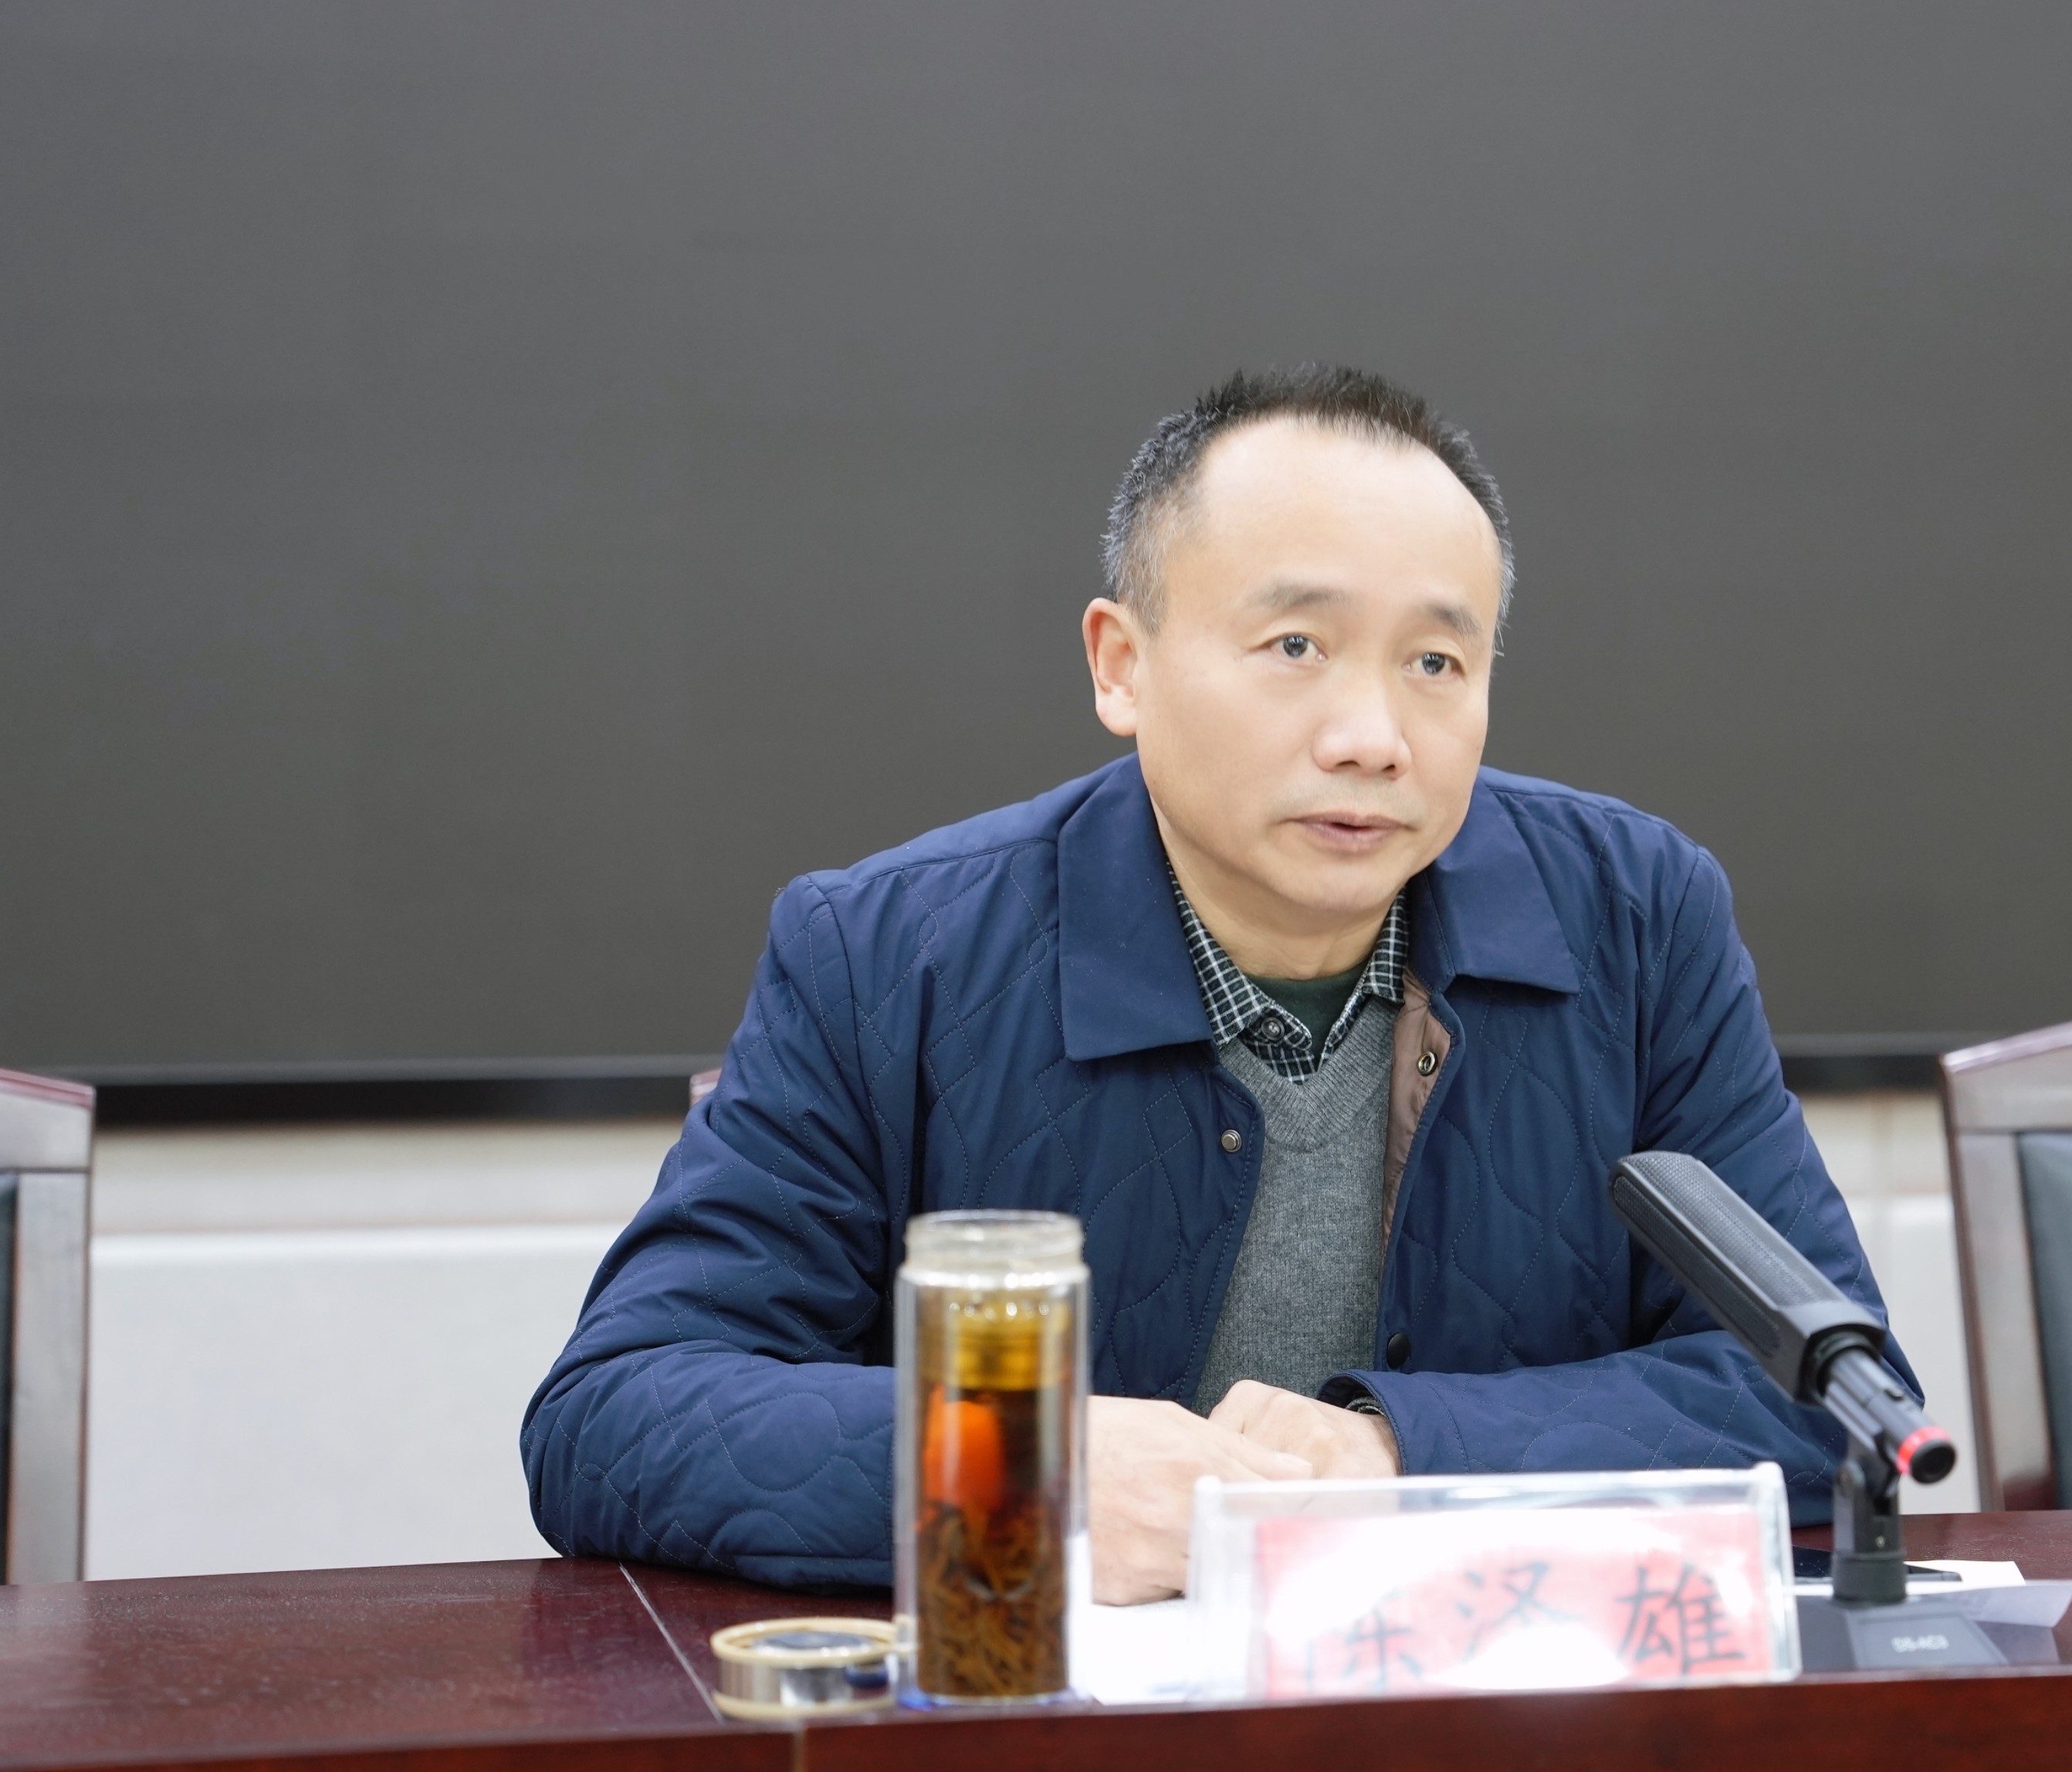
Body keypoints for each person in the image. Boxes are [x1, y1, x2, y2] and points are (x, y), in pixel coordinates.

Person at [523, 365, 1915, 1601]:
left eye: (1437, 661)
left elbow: (1832, 1396)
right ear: (1121, 665)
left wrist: (1397, 1453)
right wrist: (1025, 1470)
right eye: (1296, 645)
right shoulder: (887, 954)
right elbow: (617, 1411)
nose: (1372, 735)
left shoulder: (1635, 917)